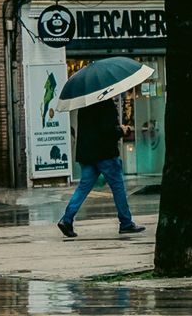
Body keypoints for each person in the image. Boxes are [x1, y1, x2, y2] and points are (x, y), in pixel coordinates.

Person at [57, 96, 146, 238]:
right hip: (105, 154)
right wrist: (122, 130)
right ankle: (126, 222)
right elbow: (107, 130)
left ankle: (67, 219)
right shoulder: (105, 103)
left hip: (88, 154)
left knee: (83, 188)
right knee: (118, 187)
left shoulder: (85, 103)